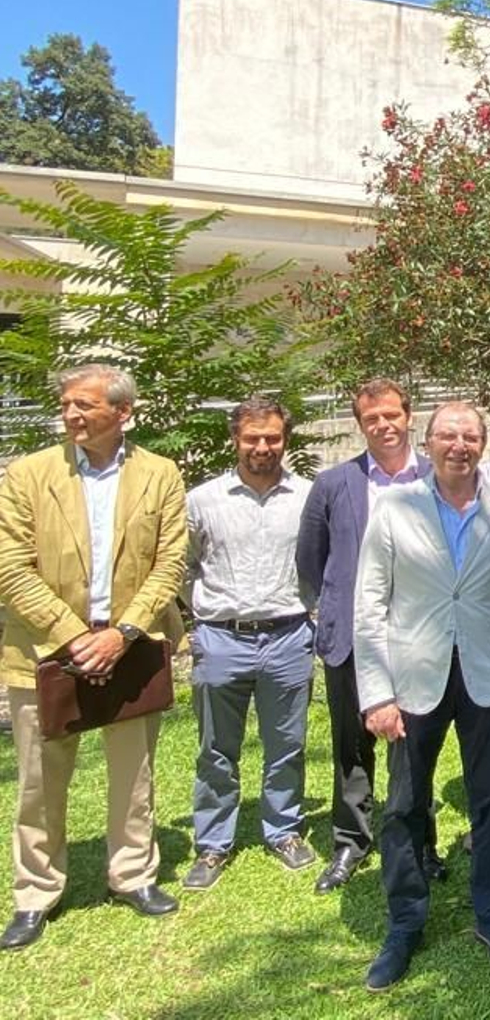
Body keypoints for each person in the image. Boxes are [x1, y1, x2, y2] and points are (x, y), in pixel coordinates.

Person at [354, 402, 490, 991]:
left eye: (470, 436)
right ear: (428, 441)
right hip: (414, 679)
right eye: (447, 435)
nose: (458, 445)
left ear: (483, 443)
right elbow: (369, 604)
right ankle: (405, 924)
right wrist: (377, 694)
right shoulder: (395, 506)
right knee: (403, 805)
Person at [0, 365, 188, 950]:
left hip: (131, 644)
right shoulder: (27, 474)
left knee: (135, 774)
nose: (71, 414)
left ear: (122, 412)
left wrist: (122, 633)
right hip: (44, 647)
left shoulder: (160, 473)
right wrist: (73, 634)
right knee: (40, 778)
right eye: (66, 405)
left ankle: (132, 874)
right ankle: (36, 892)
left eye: (84, 405)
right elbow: (10, 565)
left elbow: (171, 562)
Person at [297, 378, 437, 894]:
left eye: (391, 415)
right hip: (353, 638)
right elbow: (310, 560)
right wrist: (333, 608)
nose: (383, 425)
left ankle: (422, 842)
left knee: (416, 745)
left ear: (408, 416)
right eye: (371, 418)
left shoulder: (436, 478)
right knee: (352, 745)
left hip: (419, 636)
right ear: (360, 425)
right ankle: (351, 842)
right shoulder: (334, 484)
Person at [181, 399, 317, 891]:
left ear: (285, 440)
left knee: (287, 743)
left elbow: (319, 560)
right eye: (252, 437)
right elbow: (184, 565)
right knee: (216, 748)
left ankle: (283, 829)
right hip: (222, 638)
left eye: (273, 438)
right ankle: (213, 842)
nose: (263, 446)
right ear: (235, 439)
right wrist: (204, 614)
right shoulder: (203, 500)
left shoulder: (308, 497)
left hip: (289, 636)